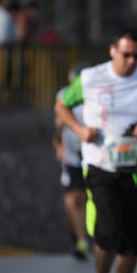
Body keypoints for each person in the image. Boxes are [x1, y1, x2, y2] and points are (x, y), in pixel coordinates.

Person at [54, 29, 137, 273]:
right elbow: (61, 105)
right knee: (107, 233)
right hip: (101, 166)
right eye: (126, 53)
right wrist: (79, 131)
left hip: (135, 169)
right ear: (112, 50)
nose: (131, 60)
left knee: (132, 243)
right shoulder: (91, 78)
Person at [53, 62, 92, 261]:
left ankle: (82, 234)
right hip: (71, 152)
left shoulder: (94, 95)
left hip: (91, 152)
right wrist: (58, 146)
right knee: (74, 196)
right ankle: (81, 240)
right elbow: (58, 124)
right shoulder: (65, 95)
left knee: (86, 196)